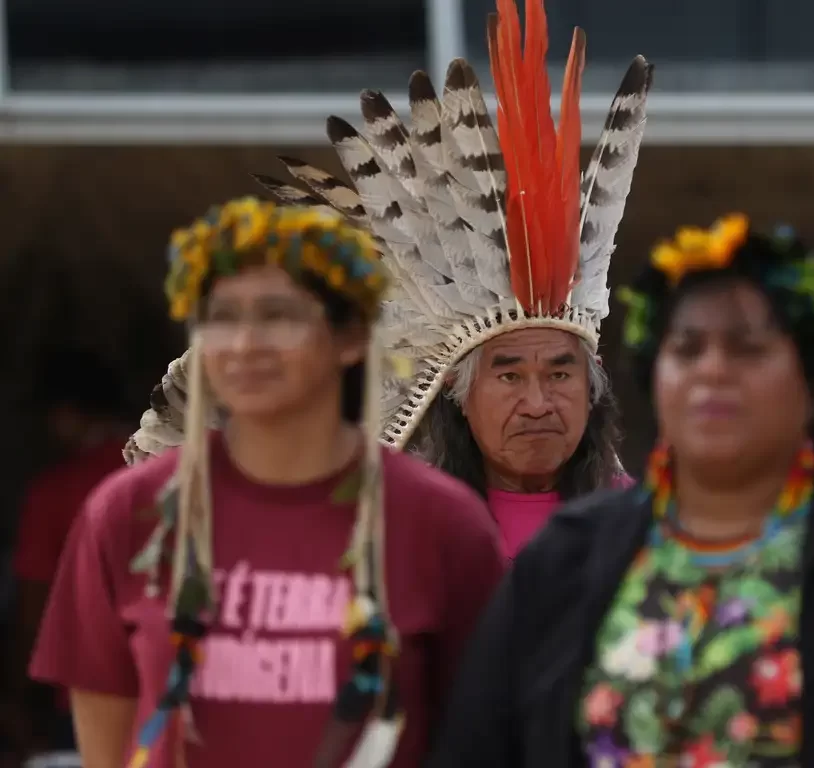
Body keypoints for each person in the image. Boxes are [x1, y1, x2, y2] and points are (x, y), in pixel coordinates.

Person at [427, 214, 814, 766]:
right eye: (686, 349)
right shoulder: (568, 559)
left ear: (812, 381)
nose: (713, 369)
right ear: (654, 375)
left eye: (748, 348)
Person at [121, 0, 653, 560]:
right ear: (455, 389)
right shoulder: (383, 518)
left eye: (560, 373)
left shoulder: (642, 531)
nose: (539, 403)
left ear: (594, 388)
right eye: (509, 375)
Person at [30, 198, 505, 768]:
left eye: (279, 316)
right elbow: (107, 750)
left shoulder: (443, 523)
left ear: (352, 336)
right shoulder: (129, 512)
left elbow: (483, 739)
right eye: (222, 317)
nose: (245, 343)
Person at [4, 347, 130, 763]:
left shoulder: (55, 492)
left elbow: (33, 608)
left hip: (83, 697)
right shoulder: (171, 473)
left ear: (68, 412)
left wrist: (16, 702)